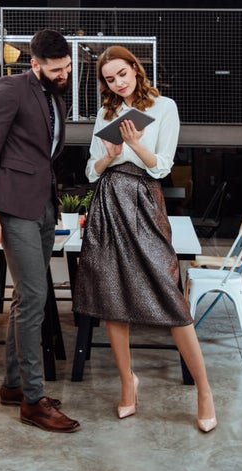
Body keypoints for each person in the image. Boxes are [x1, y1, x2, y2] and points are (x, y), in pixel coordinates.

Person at [72, 45, 216, 433]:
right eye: (109, 78)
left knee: (170, 294)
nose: (117, 83)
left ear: (136, 69)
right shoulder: (106, 113)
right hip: (107, 202)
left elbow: (163, 166)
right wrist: (110, 153)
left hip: (143, 199)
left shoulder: (163, 106)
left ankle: (204, 390)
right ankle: (127, 385)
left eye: (122, 74)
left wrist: (135, 146)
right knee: (111, 296)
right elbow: (91, 170)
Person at [0, 28, 80, 433]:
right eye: (55, 69)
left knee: (26, 297)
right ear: (34, 63)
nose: (63, 74)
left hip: (42, 207)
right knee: (35, 296)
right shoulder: (9, 89)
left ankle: (14, 386)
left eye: (67, 67)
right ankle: (34, 402)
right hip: (14, 207)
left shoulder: (54, 95)